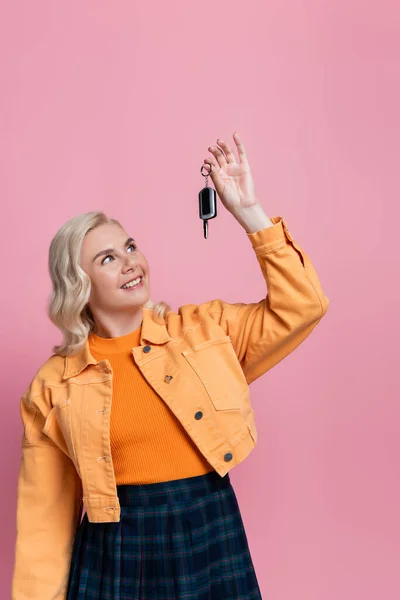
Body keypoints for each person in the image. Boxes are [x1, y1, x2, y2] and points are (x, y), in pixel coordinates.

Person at [11, 132, 329, 599]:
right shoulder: (54, 385)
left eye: (131, 246)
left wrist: (250, 214)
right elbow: (44, 519)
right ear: (78, 285)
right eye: (108, 258)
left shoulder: (203, 332)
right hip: (115, 550)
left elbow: (303, 306)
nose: (130, 262)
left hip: (209, 531)